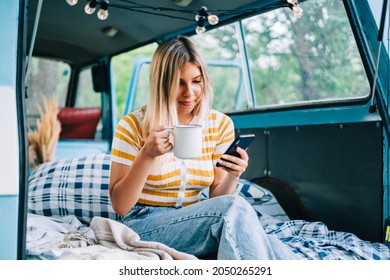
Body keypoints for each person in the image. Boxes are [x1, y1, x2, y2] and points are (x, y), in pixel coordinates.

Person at [109, 35, 297, 259]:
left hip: (196, 218)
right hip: (143, 223)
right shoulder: (131, 125)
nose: (189, 93)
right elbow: (120, 206)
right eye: (179, 83)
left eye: (196, 81)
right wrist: (147, 155)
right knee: (235, 211)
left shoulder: (219, 124)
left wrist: (233, 175)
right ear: (162, 83)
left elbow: (218, 196)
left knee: (259, 235)